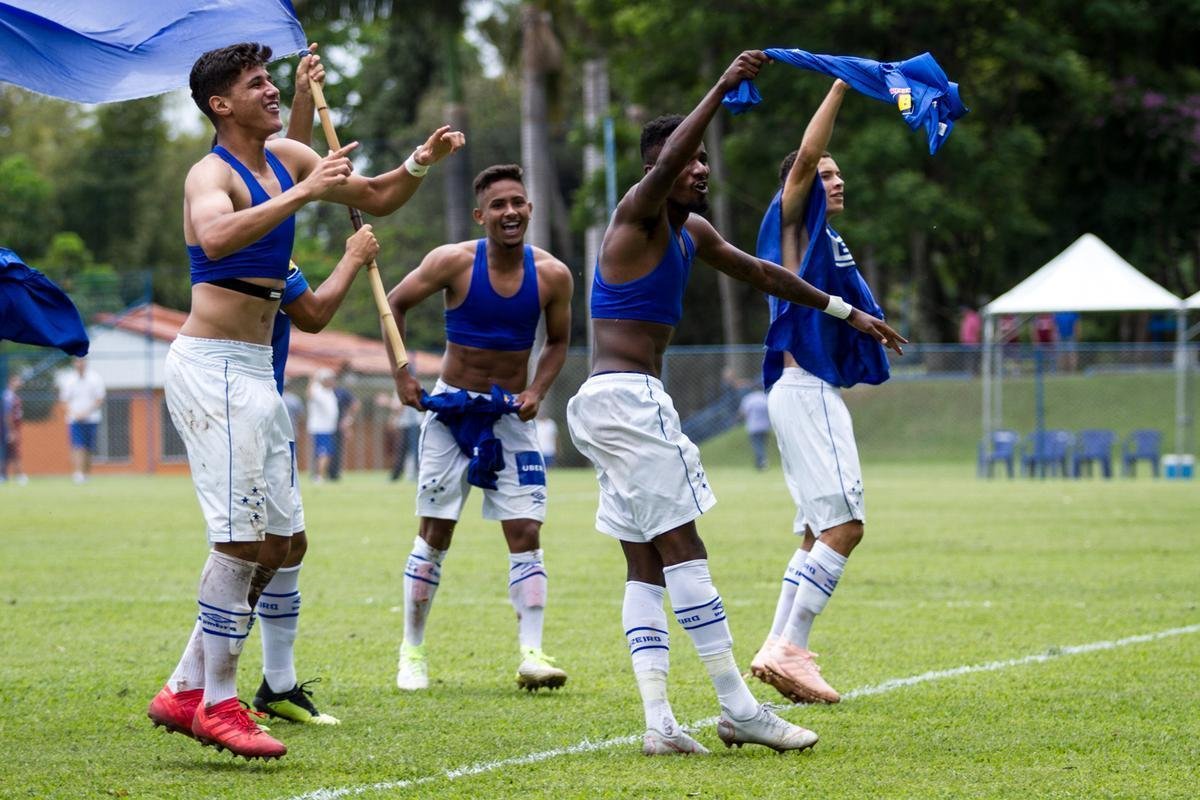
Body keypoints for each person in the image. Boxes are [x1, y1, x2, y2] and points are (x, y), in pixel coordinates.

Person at [565, 53, 904, 756]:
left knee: (645, 564)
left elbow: (762, 271)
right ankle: (738, 706)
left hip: (605, 405)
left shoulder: (690, 233)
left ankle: (660, 722)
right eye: (686, 161)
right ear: (661, 169)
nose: (700, 169)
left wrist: (847, 312)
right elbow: (667, 168)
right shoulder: (640, 212)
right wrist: (719, 85)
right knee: (686, 550)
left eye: (700, 162)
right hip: (629, 400)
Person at [147, 41, 463, 760]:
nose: (267, 91)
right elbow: (217, 237)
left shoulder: (286, 159)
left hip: (257, 372)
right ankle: (221, 705)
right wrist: (307, 192)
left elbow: (376, 197)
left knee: (284, 543)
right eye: (254, 84)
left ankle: (184, 687)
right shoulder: (210, 174)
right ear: (220, 105)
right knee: (237, 539)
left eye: (270, 81)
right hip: (214, 369)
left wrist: (419, 161)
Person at [386, 163, 574, 693]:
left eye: (518, 202)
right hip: (449, 416)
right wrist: (403, 375)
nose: (510, 212)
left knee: (526, 530)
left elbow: (558, 341)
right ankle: (412, 652)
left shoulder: (554, 275)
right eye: (498, 205)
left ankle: (533, 652)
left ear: (530, 209)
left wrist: (536, 390)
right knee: (435, 533)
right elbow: (394, 304)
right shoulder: (453, 262)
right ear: (480, 215)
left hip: (510, 416)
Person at [747, 78, 898, 707]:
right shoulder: (791, 223)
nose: (836, 181)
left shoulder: (824, 243)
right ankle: (791, 648)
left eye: (841, 176)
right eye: (827, 174)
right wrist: (843, 80)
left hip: (801, 390)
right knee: (846, 526)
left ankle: (776, 646)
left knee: (814, 532)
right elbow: (806, 157)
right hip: (803, 389)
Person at [59, 356, 105, 483]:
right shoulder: (69, 380)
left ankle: (86, 474)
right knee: (78, 446)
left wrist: (86, 413)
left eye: (82, 361)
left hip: (91, 419)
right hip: (74, 419)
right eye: (77, 361)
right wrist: (74, 413)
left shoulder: (95, 379)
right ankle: (78, 474)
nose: (80, 364)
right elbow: (63, 401)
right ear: (74, 363)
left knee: (88, 447)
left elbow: (99, 399)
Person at [328, 362, 360, 480]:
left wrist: (348, 420)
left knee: (337, 449)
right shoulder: (323, 392)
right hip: (325, 425)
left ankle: (334, 474)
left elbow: (355, 404)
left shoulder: (341, 392)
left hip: (338, 426)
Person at [307, 368, 338, 482]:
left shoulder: (329, 392)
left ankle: (319, 475)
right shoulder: (318, 390)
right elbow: (310, 393)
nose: (332, 381)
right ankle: (318, 476)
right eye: (330, 379)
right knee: (323, 453)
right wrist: (313, 379)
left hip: (328, 428)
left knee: (326, 453)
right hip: (320, 428)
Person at [3, 373, 27, 485]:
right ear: (11, 381)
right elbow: (7, 415)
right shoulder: (8, 396)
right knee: (13, 452)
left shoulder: (13, 395)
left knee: (10, 452)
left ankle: (5, 475)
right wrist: (11, 431)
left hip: (12, 428)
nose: (20, 382)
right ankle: (19, 475)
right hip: (8, 429)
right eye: (17, 380)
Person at [738, 385, 769, 470]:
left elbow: (743, 412)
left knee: (757, 445)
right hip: (765, 425)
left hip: (753, 426)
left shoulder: (748, 398)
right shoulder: (765, 398)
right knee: (762, 444)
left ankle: (762, 461)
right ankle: (760, 461)